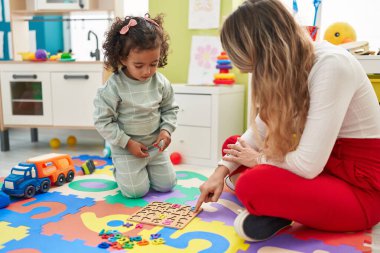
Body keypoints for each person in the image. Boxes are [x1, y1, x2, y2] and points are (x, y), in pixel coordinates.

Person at [195, 0, 380, 242]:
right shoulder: (291, 66)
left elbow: (308, 164)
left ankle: (279, 205)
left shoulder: (331, 66)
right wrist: (218, 173)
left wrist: (258, 160)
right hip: (323, 168)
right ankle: (283, 206)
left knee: (251, 184)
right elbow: (257, 130)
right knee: (233, 145)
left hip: (362, 191)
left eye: (254, 69)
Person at [94, 14, 179, 198]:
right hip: (127, 150)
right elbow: (103, 121)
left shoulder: (161, 83)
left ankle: (143, 171)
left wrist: (166, 130)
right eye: (139, 65)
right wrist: (127, 143)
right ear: (123, 58)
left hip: (155, 148)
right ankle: (121, 171)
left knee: (167, 185)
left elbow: (170, 109)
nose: (147, 71)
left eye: (153, 64)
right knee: (135, 192)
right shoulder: (114, 87)